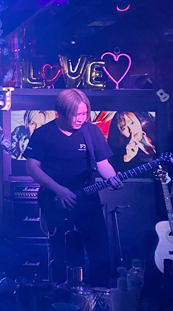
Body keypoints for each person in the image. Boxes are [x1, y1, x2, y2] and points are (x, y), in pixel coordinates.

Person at [25, 89, 123, 286]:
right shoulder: (43, 134)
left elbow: (102, 163)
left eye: (84, 113)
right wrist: (58, 189)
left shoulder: (92, 132)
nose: (81, 118)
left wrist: (112, 178)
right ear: (61, 112)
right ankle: (63, 295)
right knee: (63, 252)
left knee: (99, 251)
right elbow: (31, 167)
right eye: (76, 114)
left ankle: (99, 294)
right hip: (56, 201)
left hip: (88, 201)